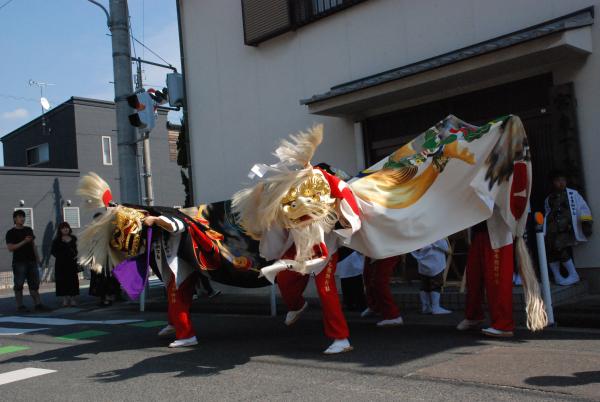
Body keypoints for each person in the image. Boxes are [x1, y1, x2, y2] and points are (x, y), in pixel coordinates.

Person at [457, 220, 514, 337]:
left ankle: (503, 325)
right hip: (478, 231)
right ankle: (473, 316)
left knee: (497, 280)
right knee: (473, 277)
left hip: (498, 232)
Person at [544, 170, 593, 286]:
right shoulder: (549, 198)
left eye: (563, 180)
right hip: (552, 229)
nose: (560, 183)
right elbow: (547, 213)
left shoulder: (573, 194)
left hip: (566, 228)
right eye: (557, 181)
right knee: (551, 251)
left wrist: (586, 224)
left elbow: (583, 208)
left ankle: (573, 274)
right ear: (553, 182)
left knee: (559, 247)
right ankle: (557, 276)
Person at [5, 209, 46, 312]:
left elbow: (33, 245)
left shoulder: (28, 230)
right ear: (15, 219)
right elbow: (10, 248)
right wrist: (24, 241)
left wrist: (38, 259)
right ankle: (20, 306)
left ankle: (38, 304)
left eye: (23, 217)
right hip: (19, 262)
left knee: (34, 284)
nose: (22, 219)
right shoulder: (11, 232)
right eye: (19, 217)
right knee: (19, 284)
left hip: (31, 260)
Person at [88, 212, 122, 306]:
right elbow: (90, 246)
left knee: (110, 278)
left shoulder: (109, 230)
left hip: (108, 258)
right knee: (100, 278)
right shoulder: (92, 232)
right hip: (98, 258)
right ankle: (104, 297)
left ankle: (110, 296)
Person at [411, 239, 451, 315]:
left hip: (422, 259)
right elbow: (445, 248)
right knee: (436, 284)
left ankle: (425, 307)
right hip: (435, 259)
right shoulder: (436, 231)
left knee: (424, 284)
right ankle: (435, 307)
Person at [362, 256, 403, 326]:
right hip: (372, 249)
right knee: (367, 277)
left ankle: (393, 315)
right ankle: (375, 307)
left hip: (387, 250)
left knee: (379, 281)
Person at [51, 222, 80, 307]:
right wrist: (61, 255)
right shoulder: (57, 240)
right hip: (61, 264)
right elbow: (53, 252)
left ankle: (72, 299)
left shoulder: (73, 238)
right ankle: (65, 299)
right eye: (63, 228)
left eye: (67, 227)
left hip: (72, 263)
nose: (65, 229)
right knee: (62, 281)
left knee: (73, 280)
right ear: (60, 230)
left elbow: (77, 249)